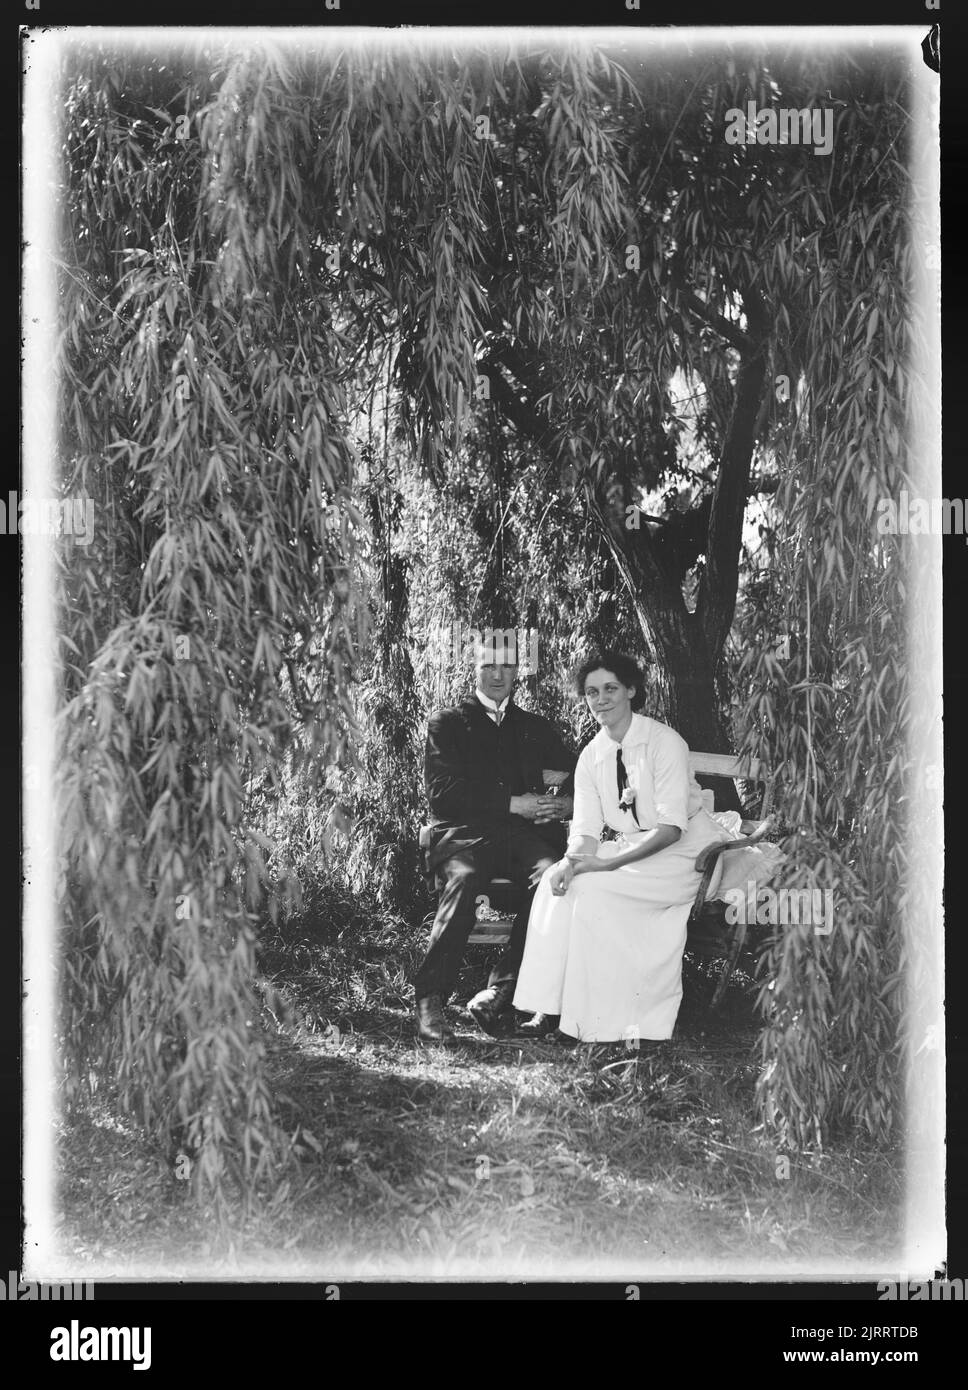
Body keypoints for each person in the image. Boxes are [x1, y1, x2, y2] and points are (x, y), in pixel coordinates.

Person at [513, 650, 739, 1045]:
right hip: (634, 851)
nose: (601, 700)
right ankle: (549, 1008)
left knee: (594, 890)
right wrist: (570, 861)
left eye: (611, 689)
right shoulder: (591, 756)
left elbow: (671, 829)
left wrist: (605, 867)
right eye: (592, 692)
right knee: (556, 882)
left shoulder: (664, 742)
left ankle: (599, 1019)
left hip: (687, 856)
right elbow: (585, 830)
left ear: (631, 690)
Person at [414, 638, 576, 1043]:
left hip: (522, 839)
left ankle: (501, 990)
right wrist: (513, 802)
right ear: (474, 669)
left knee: (552, 877)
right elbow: (442, 794)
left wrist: (565, 804)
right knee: (465, 878)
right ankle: (431, 999)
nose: (498, 674)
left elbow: (580, 774)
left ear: (518, 671)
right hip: (463, 838)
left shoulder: (535, 727)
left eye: (507, 666)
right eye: (489, 665)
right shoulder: (447, 724)